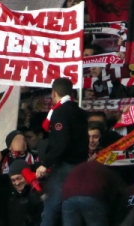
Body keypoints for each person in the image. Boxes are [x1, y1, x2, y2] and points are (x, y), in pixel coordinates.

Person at [36, 78, 88, 226]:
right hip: (81, 167)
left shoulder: (60, 112)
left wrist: (45, 164)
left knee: (51, 207)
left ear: (54, 93)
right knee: (70, 209)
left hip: (64, 167)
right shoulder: (80, 112)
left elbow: (61, 142)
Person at [61, 160, 126, 226]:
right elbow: (119, 192)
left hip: (68, 197)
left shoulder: (78, 167)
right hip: (92, 196)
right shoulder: (106, 170)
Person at [6, 160, 43, 226]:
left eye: (19, 178)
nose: (17, 183)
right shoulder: (10, 196)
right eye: (13, 180)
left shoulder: (38, 192)